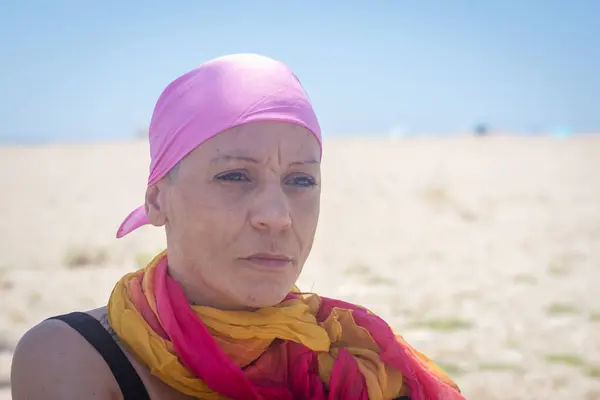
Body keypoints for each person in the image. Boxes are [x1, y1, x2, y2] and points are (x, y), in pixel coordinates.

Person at [10, 54, 464, 400]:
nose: (277, 214)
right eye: (234, 176)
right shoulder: (74, 358)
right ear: (157, 199)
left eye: (300, 180)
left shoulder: (356, 357)